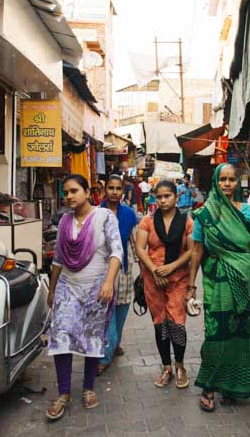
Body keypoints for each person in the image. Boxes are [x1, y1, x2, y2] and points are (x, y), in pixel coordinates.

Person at [45, 174, 122, 421]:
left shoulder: (104, 217)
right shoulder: (65, 221)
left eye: (74, 190)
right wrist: (52, 289)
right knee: (61, 337)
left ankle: (88, 387)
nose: (69, 196)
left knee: (92, 337)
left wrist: (109, 281)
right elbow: (58, 258)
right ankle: (64, 393)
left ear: (88, 192)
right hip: (68, 287)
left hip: (96, 288)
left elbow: (116, 251)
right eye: (65, 192)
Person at [189, 163, 250, 412]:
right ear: (215, 182)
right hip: (216, 280)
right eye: (223, 180)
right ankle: (209, 386)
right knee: (216, 333)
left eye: (232, 180)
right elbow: (197, 250)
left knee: (240, 334)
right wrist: (191, 286)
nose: (228, 184)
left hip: (245, 279)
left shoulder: (246, 212)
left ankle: (232, 385)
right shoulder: (206, 214)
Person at [136, 180, 195, 388]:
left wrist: (171, 267)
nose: (162, 200)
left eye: (167, 196)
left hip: (178, 278)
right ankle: (166, 367)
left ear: (176, 197)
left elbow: (191, 250)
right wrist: (154, 270)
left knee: (177, 323)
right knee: (159, 323)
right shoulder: (148, 221)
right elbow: (140, 248)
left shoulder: (187, 221)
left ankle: (180, 365)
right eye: (159, 197)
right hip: (153, 280)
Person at [98, 175, 138, 374]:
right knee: (107, 313)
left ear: (123, 191)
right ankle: (105, 355)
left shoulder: (129, 214)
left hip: (123, 269)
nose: (114, 192)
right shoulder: (96, 213)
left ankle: (115, 343)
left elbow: (135, 243)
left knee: (121, 311)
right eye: (110, 188)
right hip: (102, 272)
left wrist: (145, 269)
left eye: (118, 188)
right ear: (104, 190)